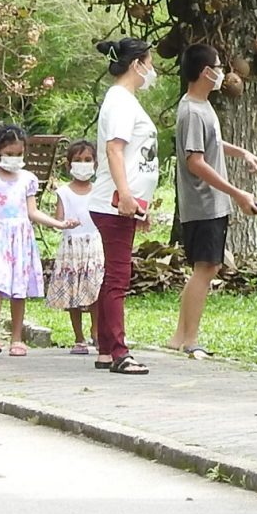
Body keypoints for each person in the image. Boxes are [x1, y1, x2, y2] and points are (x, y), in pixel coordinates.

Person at [171, 44, 257, 358]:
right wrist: (236, 193)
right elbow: (195, 161)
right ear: (204, 72)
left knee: (204, 268)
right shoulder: (192, 110)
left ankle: (179, 337)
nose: (223, 70)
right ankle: (191, 340)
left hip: (209, 203)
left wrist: (242, 152)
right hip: (203, 203)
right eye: (218, 65)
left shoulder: (201, 105)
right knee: (206, 268)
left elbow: (210, 143)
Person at [86, 36, 162, 374]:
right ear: (137, 64)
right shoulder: (119, 101)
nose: (152, 70)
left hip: (124, 201)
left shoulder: (125, 100)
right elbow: (115, 150)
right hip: (114, 202)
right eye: (150, 63)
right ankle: (118, 351)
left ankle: (105, 349)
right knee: (118, 278)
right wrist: (126, 196)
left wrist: (137, 201)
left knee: (111, 277)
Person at [0, 123, 59, 358]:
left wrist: (58, 224)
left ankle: (17, 338)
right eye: (9, 154)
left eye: (19, 154)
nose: (14, 159)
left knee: (19, 288)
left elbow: (32, 211)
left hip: (21, 238)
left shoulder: (27, 179)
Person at [43, 137, 104, 354]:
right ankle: (79, 337)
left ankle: (96, 332)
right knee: (73, 294)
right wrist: (64, 223)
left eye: (88, 159)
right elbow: (59, 220)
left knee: (96, 290)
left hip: (94, 246)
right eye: (78, 160)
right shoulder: (63, 192)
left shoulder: (99, 190)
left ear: (95, 164)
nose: (83, 163)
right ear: (69, 165)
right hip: (71, 248)